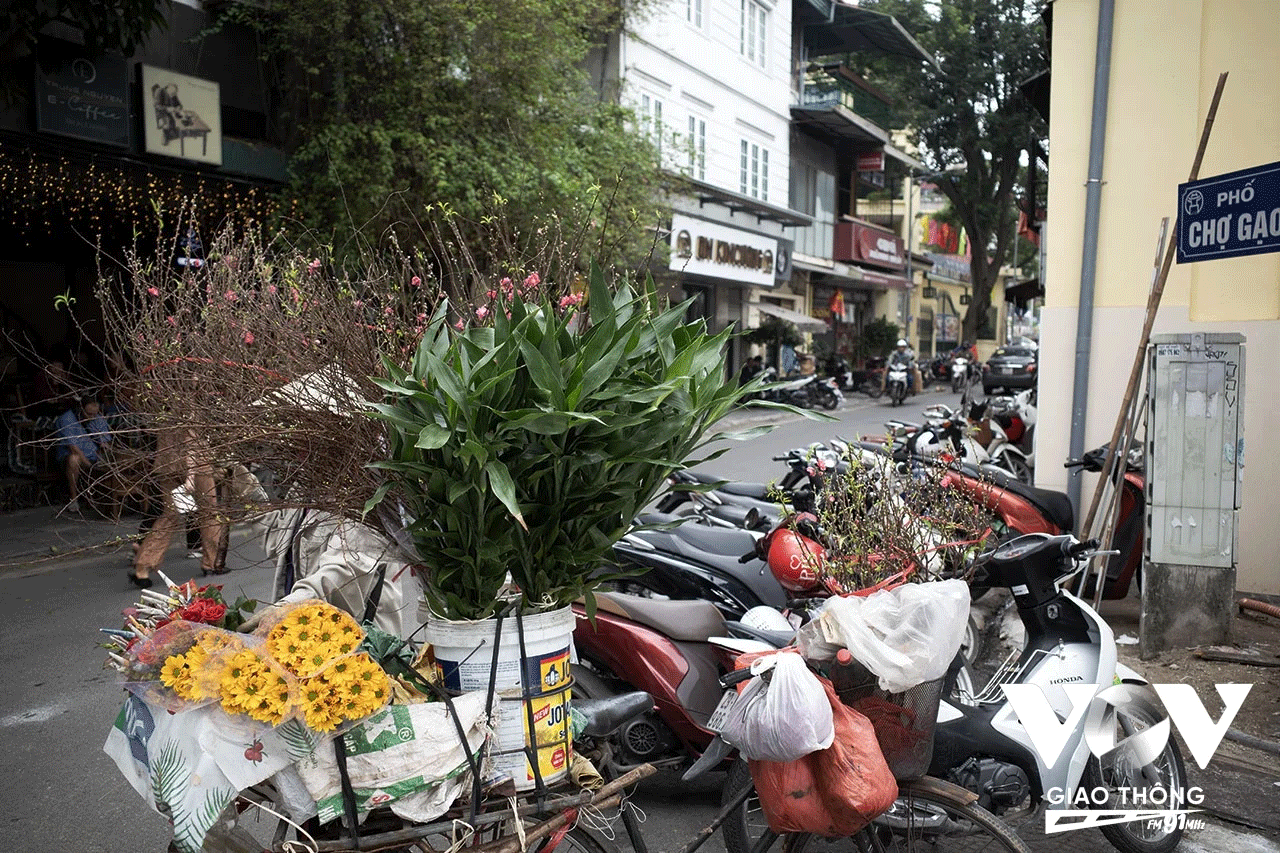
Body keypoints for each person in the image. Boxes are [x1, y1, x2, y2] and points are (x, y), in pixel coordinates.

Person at [236, 506, 409, 639]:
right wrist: (241, 482)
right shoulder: (308, 486)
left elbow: (344, 572)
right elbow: (282, 546)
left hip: (361, 660)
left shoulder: (362, 498)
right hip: (307, 645)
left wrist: (289, 606)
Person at [54, 395, 112, 515]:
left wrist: (108, 456)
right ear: (81, 410)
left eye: (94, 414)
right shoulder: (67, 419)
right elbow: (73, 447)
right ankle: (74, 499)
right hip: (73, 455)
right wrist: (90, 466)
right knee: (74, 459)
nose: (92, 417)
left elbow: (104, 442)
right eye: (89, 414)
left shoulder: (97, 417)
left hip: (94, 454)